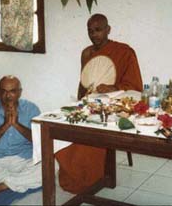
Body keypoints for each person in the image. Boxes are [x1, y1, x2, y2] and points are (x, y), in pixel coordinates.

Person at [56, 13, 143, 193]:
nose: (94, 34)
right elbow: (84, 82)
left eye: (98, 30)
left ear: (108, 30)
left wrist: (113, 87)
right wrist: (80, 102)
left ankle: (88, 176)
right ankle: (72, 172)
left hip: (114, 103)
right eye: (90, 31)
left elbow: (134, 86)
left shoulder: (124, 52)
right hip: (91, 103)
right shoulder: (86, 53)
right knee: (69, 124)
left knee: (91, 131)